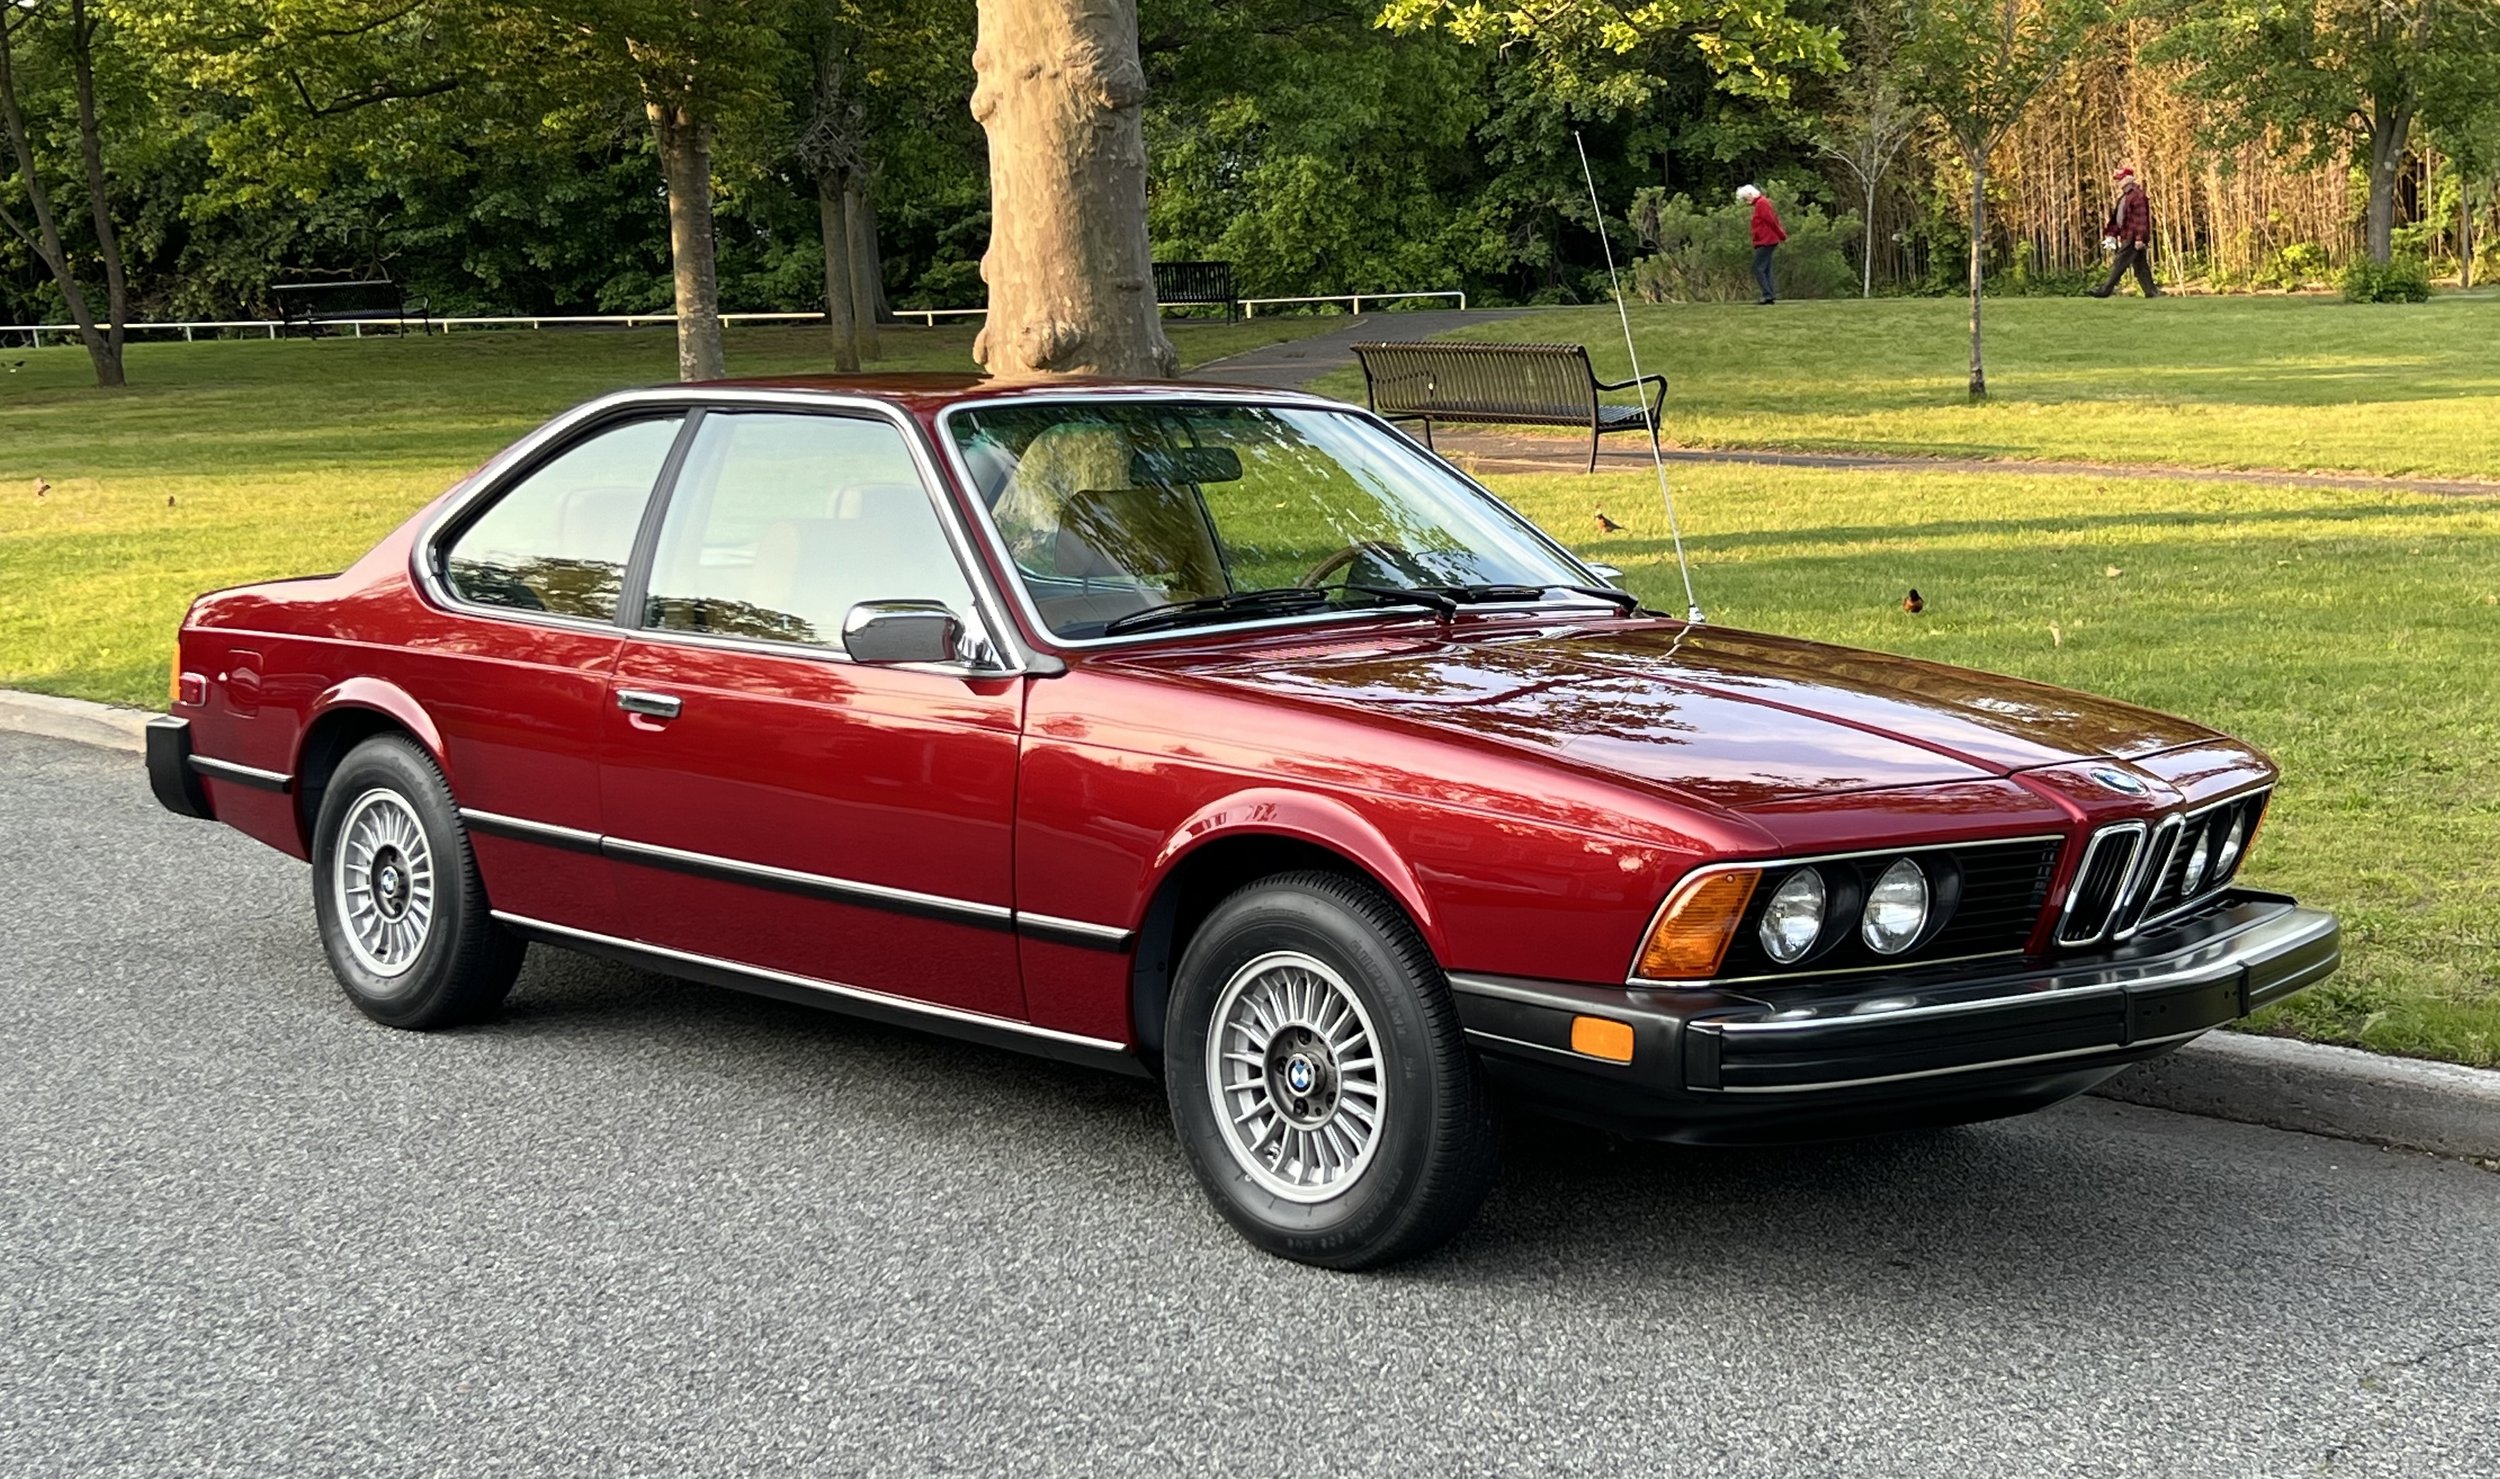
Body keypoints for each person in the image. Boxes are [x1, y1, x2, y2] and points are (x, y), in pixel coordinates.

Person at [2090, 166, 2159, 299]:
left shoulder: (2138, 196)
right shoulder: (2125, 197)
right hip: (2127, 235)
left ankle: (2105, 290)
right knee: (2140, 266)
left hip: (2132, 237)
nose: (2118, 182)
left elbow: (2141, 220)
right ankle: (2151, 292)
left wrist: (2139, 238)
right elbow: (2119, 218)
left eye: (2120, 179)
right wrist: (2111, 234)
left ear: (2127, 180)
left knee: (2119, 263)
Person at [1738, 184, 1785, 304]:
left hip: (1766, 240)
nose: (1745, 201)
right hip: (1765, 240)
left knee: (1758, 268)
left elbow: (1772, 221)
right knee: (1766, 268)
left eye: (1745, 198)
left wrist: (1781, 235)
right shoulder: (1760, 204)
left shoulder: (1761, 204)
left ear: (1750, 195)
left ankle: (1767, 294)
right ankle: (1770, 295)